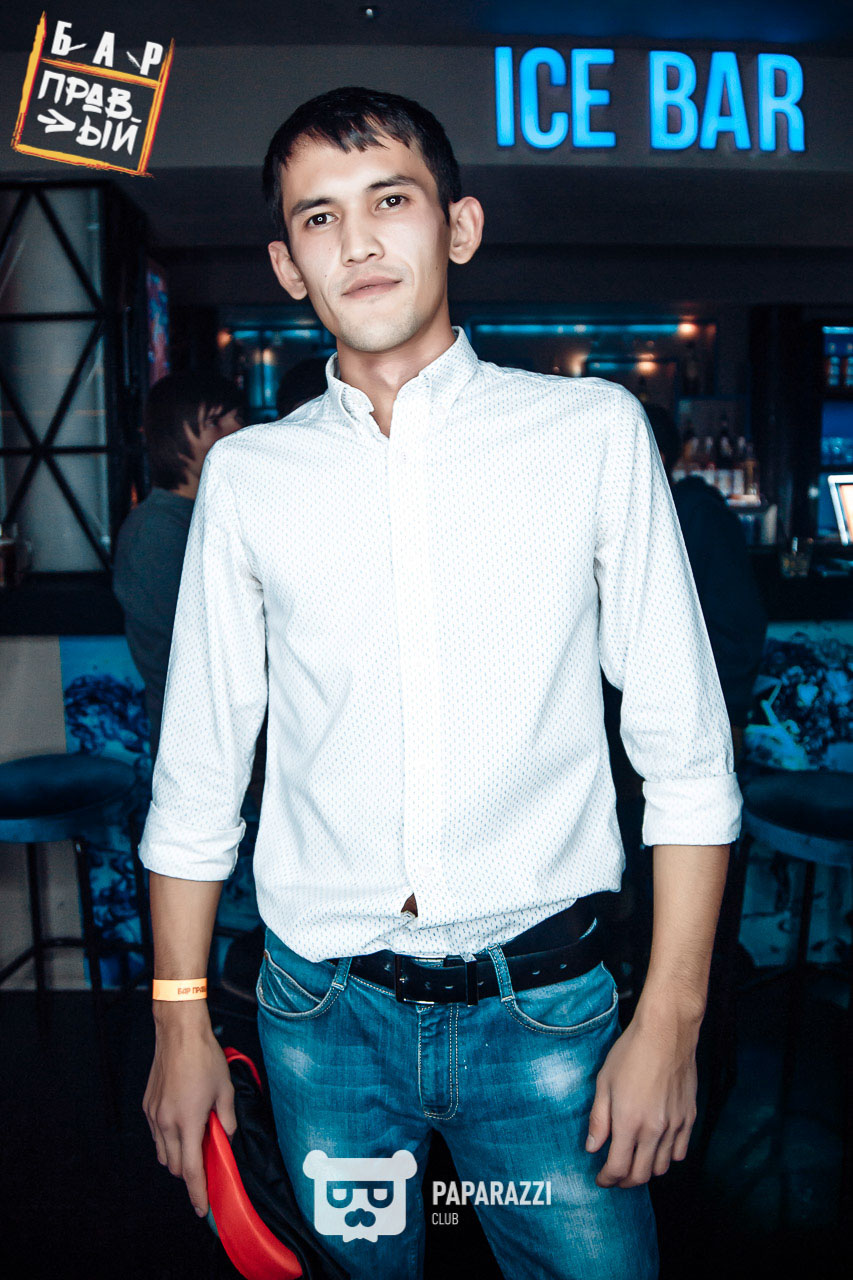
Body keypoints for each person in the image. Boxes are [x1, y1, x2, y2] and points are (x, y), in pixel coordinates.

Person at [140, 87, 741, 1280]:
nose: (357, 241)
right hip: (321, 1017)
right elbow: (198, 775)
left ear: (457, 226)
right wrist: (177, 1016)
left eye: (391, 200)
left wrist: (671, 1017)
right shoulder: (250, 479)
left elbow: (685, 758)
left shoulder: (590, 433)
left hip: (546, 1009)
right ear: (287, 264)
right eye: (319, 217)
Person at [112, 371, 246, 758]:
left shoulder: (211, 513)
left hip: (233, 741)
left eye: (238, 418)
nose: (235, 431)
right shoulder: (157, 531)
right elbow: (210, 649)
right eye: (214, 422)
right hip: (199, 748)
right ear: (173, 435)